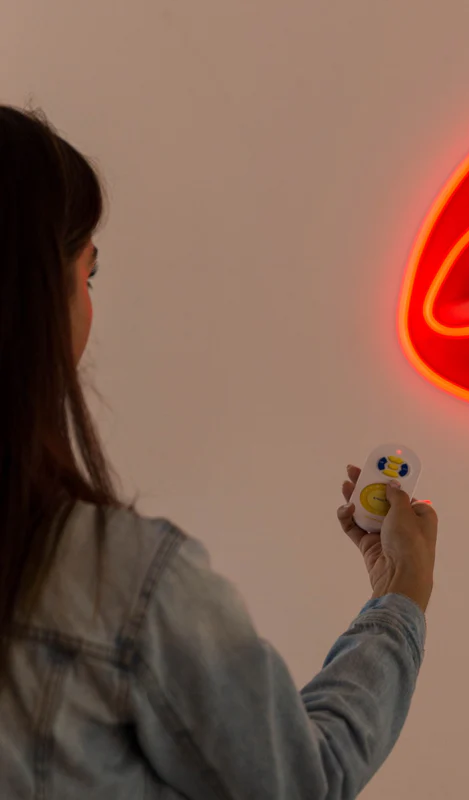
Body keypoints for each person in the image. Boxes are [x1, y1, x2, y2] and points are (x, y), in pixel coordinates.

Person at [0, 103, 439, 799]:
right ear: (38, 300)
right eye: (88, 275)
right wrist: (401, 597)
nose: (90, 306)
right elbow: (303, 781)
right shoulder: (117, 584)